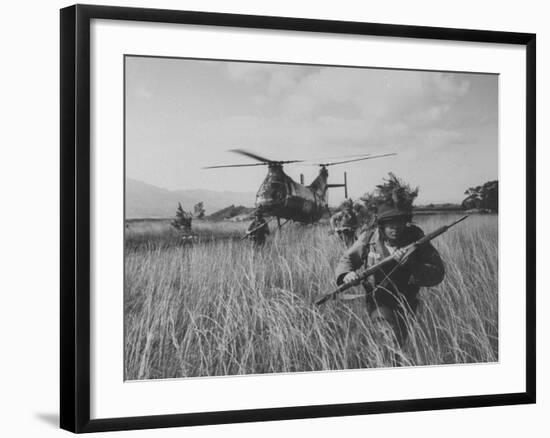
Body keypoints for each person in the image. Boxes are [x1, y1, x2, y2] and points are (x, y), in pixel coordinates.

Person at [334, 193, 445, 353]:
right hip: (378, 301)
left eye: (399, 222)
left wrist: (412, 264)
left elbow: (437, 273)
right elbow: (347, 260)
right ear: (381, 224)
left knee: (398, 346)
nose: (395, 228)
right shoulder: (369, 238)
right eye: (390, 224)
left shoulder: (416, 239)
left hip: (407, 302)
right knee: (388, 342)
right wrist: (346, 275)